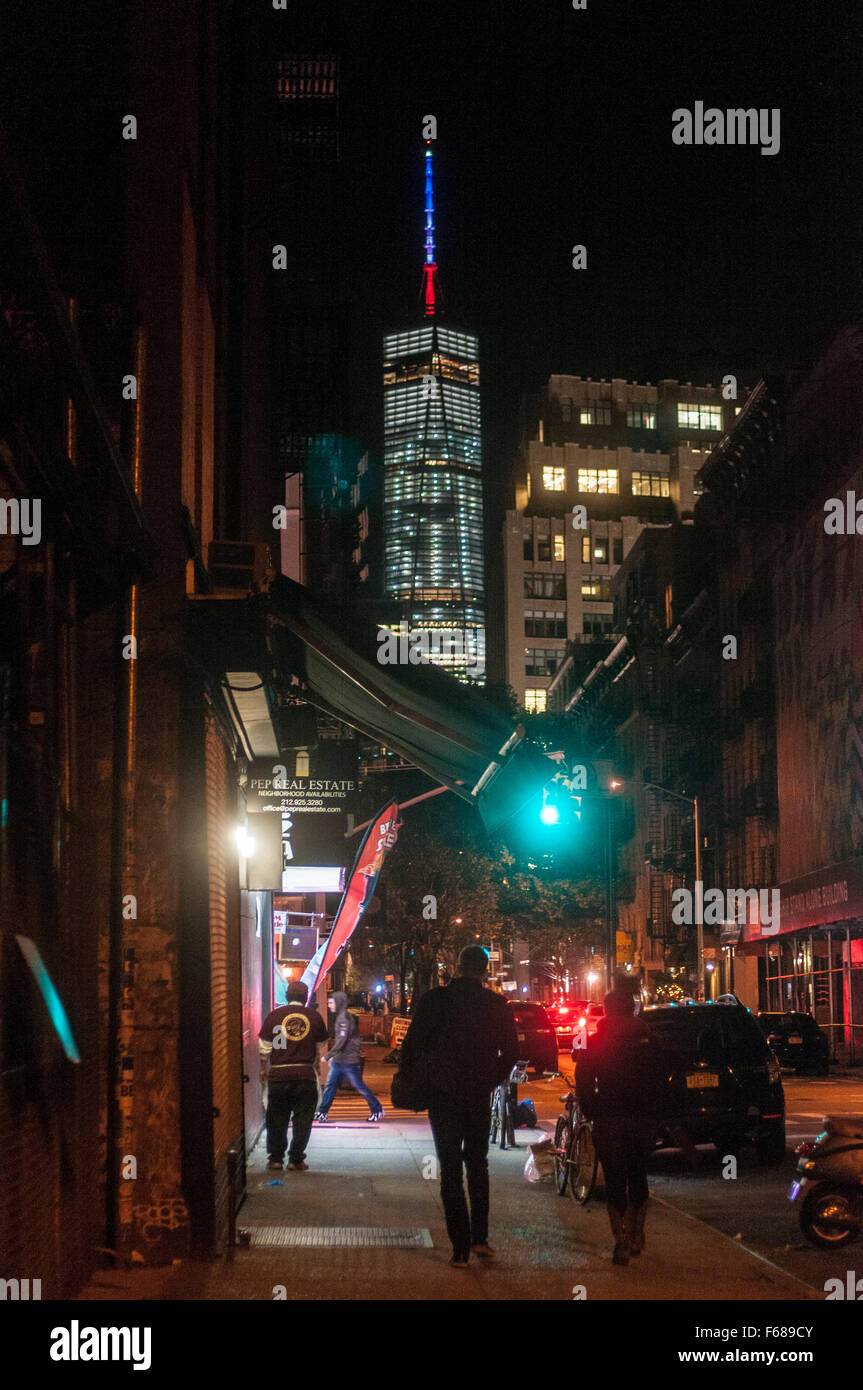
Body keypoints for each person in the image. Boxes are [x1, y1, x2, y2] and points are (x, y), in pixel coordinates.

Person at [399, 944, 519, 1268]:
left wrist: (418, 1076)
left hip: (443, 1096)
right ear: (484, 970)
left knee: (450, 1170)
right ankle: (481, 1239)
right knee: (478, 1166)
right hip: (477, 1095)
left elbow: (410, 1047)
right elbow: (510, 1054)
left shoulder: (434, 1001)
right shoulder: (497, 1005)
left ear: (457, 966)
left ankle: (460, 1249)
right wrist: (490, 1079)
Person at [575, 984, 665, 1265]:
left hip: (609, 1117)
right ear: (632, 1009)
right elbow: (665, 1074)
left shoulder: (597, 1042)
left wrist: (592, 1108)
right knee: (638, 1172)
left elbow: (584, 1079)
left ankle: (621, 1240)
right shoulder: (648, 1041)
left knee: (615, 1178)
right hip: (642, 1118)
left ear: (607, 1010)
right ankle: (637, 1235)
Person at [259, 980, 329, 1173]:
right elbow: (321, 1044)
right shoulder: (313, 1017)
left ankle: (275, 1159)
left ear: (287, 996)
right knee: (303, 1120)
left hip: (279, 1075)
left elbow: (264, 1049)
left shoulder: (274, 1016)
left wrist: (263, 1070)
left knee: (276, 1119)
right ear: (306, 998)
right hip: (305, 1076)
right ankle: (296, 1159)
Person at [314, 992, 385, 1122]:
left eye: (331, 1003)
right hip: (340, 1060)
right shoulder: (342, 1017)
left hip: (347, 1061)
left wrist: (328, 1055)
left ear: (339, 1003)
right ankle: (322, 1112)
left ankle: (377, 1109)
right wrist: (333, 1057)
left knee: (358, 1086)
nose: (329, 1005)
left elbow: (342, 1040)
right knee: (331, 1086)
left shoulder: (343, 1019)